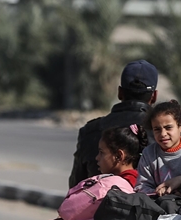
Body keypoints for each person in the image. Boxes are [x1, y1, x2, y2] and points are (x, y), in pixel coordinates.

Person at [68, 60, 158, 188]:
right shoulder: (165, 135)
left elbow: (76, 186)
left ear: (120, 92)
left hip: (96, 205)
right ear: (154, 96)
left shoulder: (90, 130)